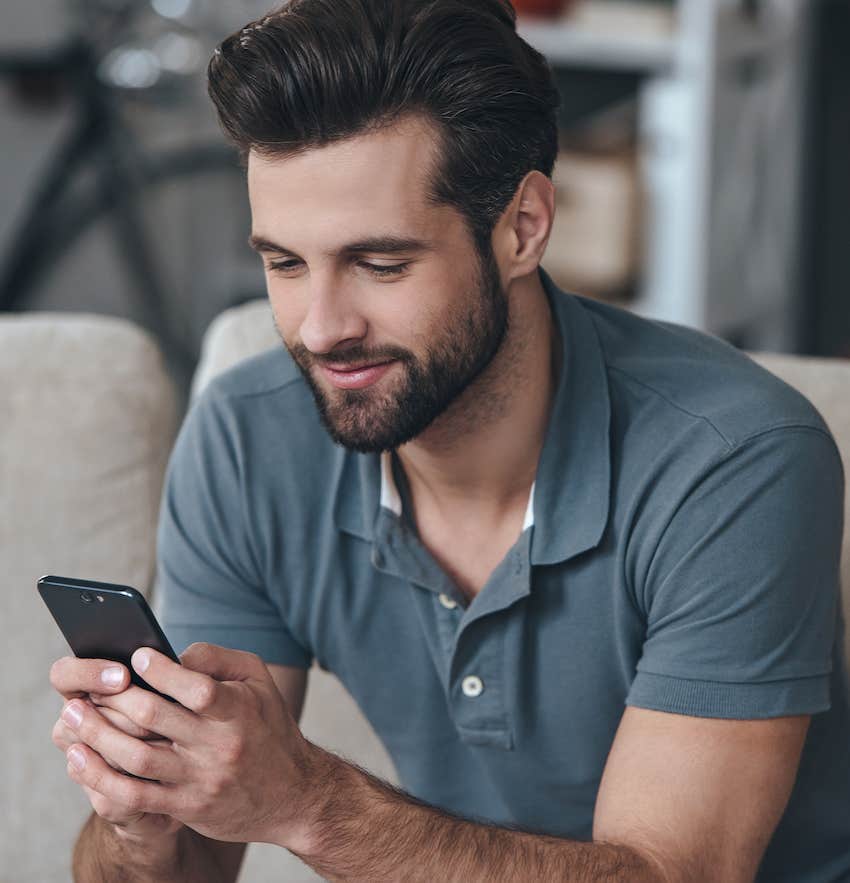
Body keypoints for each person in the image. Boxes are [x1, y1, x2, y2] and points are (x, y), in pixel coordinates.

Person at [50, 1, 850, 880]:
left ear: (523, 226)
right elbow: (194, 864)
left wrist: (307, 801)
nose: (321, 329)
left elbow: (676, 874)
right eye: (284, 263)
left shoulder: (733, 455)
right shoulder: (250, 440)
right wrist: (144, 812)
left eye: (381, 264)